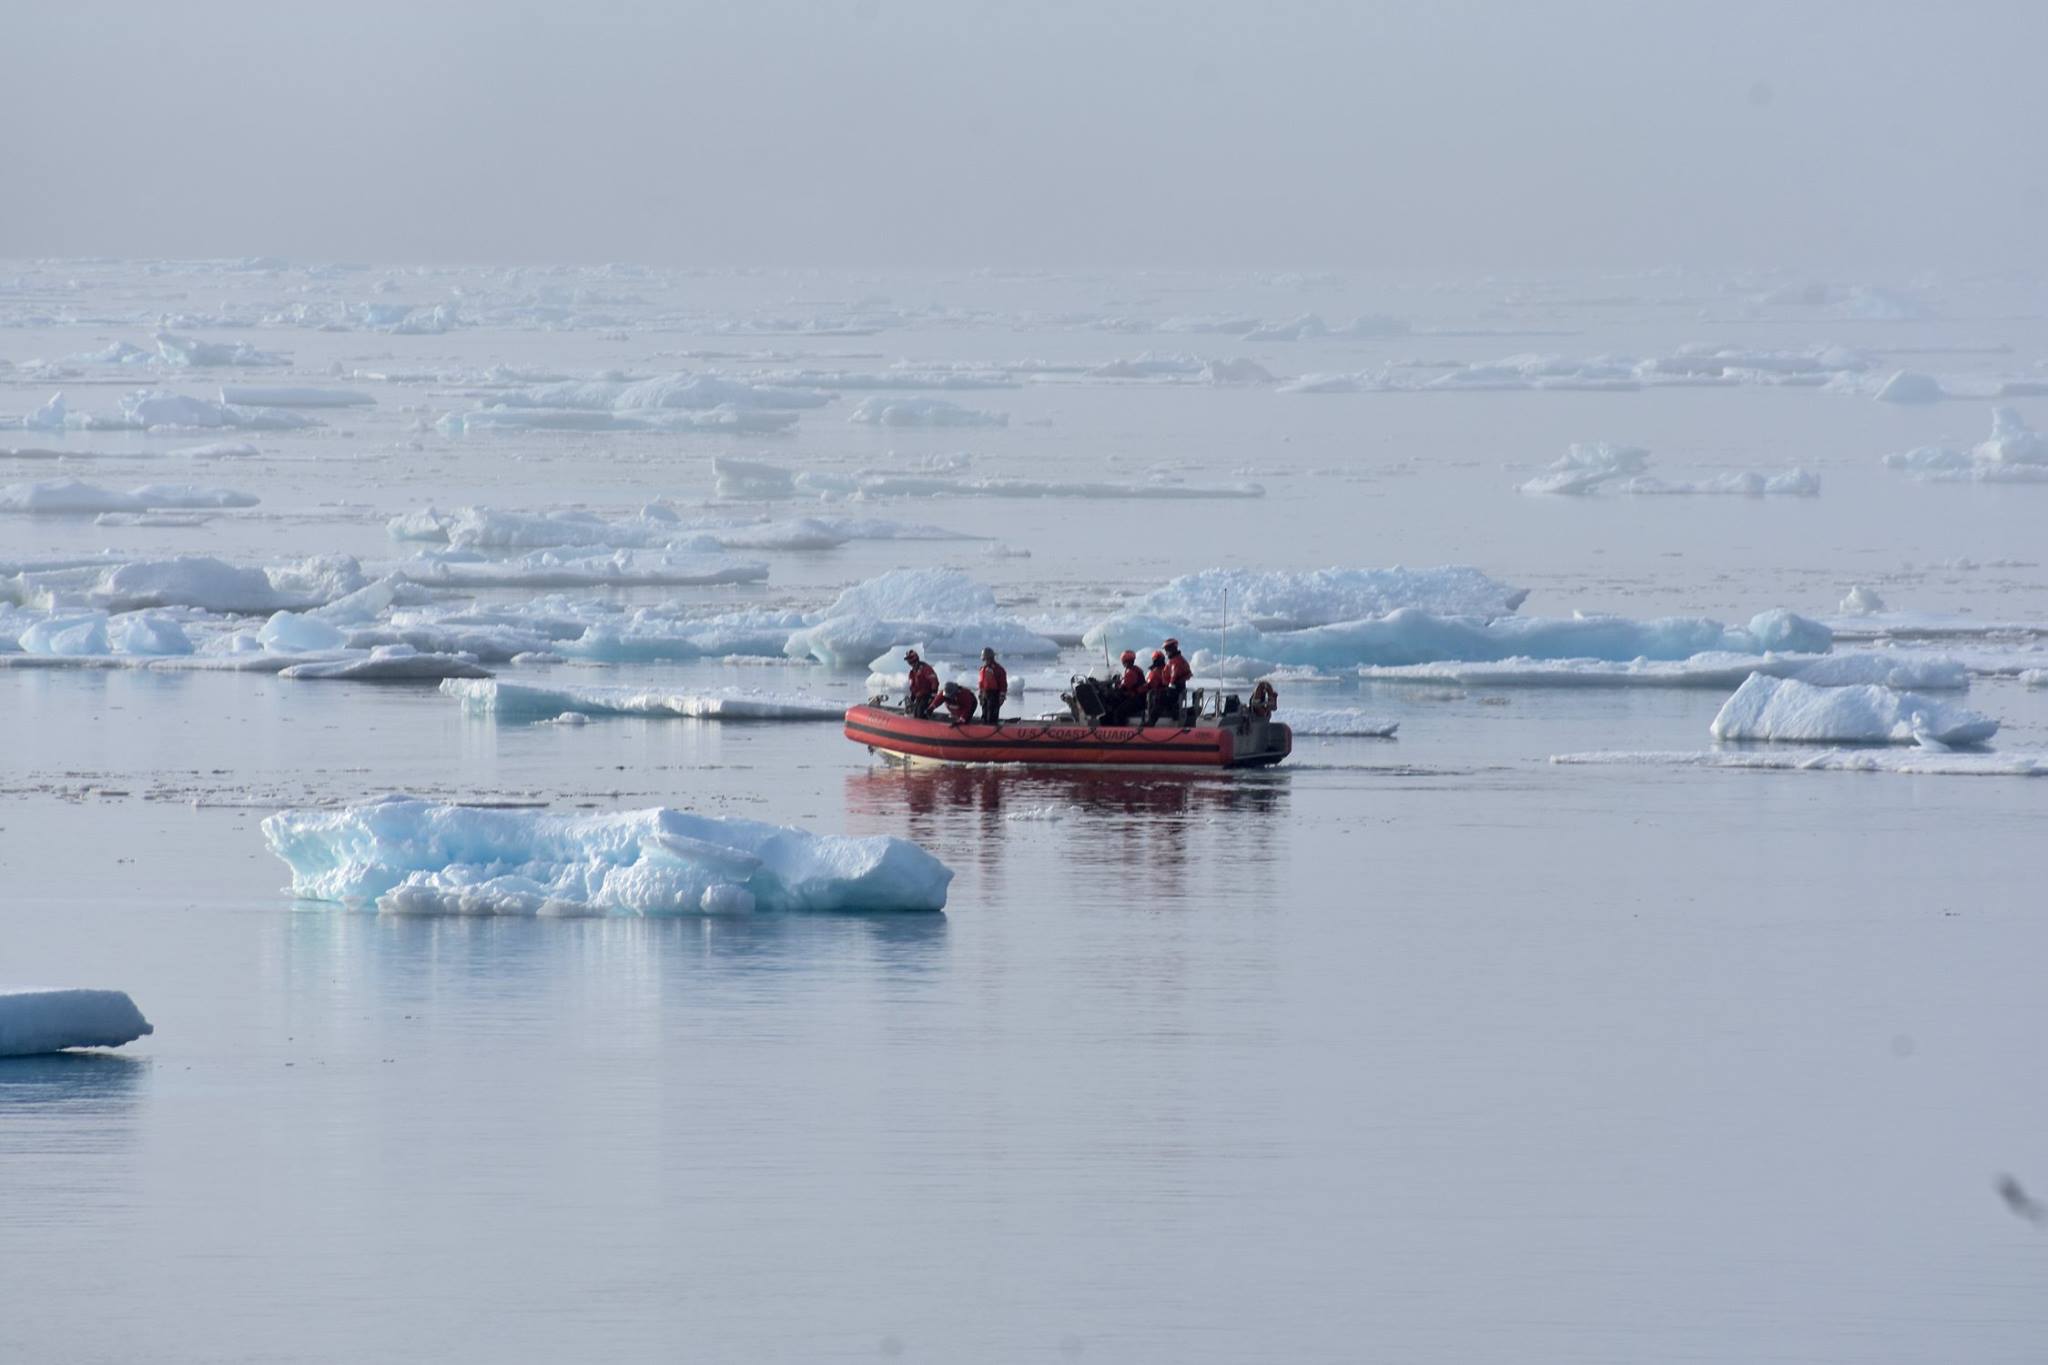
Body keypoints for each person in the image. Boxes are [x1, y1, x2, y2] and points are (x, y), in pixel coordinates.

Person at [1161, 637, 1193, 721]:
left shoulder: (1176, 661)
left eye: (1167, 649)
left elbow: (1173, 678)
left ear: (1172, 648)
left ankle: (1151, 721)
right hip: (1176, 688)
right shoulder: (1176, 660)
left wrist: (1169, 686)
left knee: (1158, 700)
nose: (1166, 652)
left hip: (1175, 690)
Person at [1111, 648, 1146, 723]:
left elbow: (1124, 687)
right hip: (1138, 698)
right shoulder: (1135, 669)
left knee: (1119, 712)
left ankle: (1120, 730)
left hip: (1136, 699)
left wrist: (1116, 688)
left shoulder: (1131, 672)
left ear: (1124, 661)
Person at [976, 647, 1008, 726]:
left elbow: (1003, 684)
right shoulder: (982, 669)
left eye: (986, 658)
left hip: (994, 694)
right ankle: (984, 728)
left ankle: (992, 729)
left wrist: (1002, 695)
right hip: (985, 693)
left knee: (992, 715)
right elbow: (981, 683)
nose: (985, 661)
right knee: (984, 713)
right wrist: (980, 694)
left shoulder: (998, 669)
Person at [904, 649, 940, 719]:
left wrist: (932, 695)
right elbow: (913, 686)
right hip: (919, 697)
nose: (909, 662)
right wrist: (912, 697)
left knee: (921, 713)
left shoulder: (925, 668)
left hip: (927, 696)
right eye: (908, 660)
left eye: (909, 659)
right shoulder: (912, 672)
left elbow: (934, 681)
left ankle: (926, 727)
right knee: (916, 712)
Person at [1141, 649, 1170, 727]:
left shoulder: (1156, 672)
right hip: (1164, 694)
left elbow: (1150, 685)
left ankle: (1149, 721)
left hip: (1158, 695)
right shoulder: (1167, 669)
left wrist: (1139, 689)